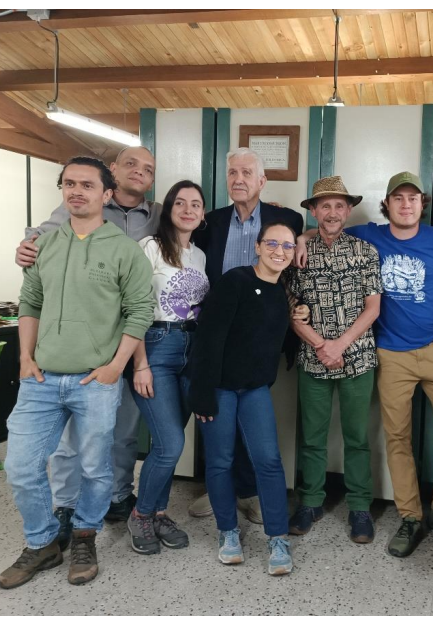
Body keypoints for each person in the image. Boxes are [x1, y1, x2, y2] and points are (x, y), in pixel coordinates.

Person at [0, 157, 154, 589]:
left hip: (94, 381)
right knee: (21, 467)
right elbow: (29, 303)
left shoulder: (125, 249)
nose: (76, 191)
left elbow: (138, 311)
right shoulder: (45, 245)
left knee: (95, 468)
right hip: (42, 380)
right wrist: (25, 359)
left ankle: (85, 536)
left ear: (107, 194)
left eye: (87, 184)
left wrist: (115, 368)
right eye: (69, 184)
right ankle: (43, 542)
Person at [296, 171, 433, 557]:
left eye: (413, 198)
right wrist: (300, 237)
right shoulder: (369, 236)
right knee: (397, 437)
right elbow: (325, 230)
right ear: (387, 204)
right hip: (389, 355)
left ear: (423, 204)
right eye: (398, 198)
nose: (406, 205)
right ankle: (410, 516)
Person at [187, 147, 304, 523]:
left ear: (262, 181)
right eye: (232, 172)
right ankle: (224, 489)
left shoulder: (286, 218)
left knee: (252, 423)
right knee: (217, 416)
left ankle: (248, 490)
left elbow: (302, 232)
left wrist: (301, 240)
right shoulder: (209, 222)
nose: (239, 179)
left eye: (247, 173)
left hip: (259, 340)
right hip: (217, 332)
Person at [188, 222, 298, 576]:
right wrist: (202, 393)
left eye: (287, 245)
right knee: (219, 462)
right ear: (258, 246)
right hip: (218, 389)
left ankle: (278, 537)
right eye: (272, 243)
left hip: (253, 390)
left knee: (268, 460)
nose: (279, 251)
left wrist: (303, 314)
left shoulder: (282, 293)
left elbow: (277, 341)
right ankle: (228, 533)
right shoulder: (235, 281)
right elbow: (208, 339)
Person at [284, 176, 382, 543]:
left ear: (349, 210)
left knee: (357, 438)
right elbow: (289, 306)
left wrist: (339, 345)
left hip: (357, 357)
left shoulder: (364, 251)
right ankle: (309, 502)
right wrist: (320, 345)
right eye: (324, 205)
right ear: (313, 210)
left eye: (339, 205)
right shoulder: (297, 255)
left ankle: (359, 507)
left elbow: (373, 308)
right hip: (313, 359)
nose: (332, 212)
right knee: (312, 437)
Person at [126, 180, 210, 555]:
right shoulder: (149, 248)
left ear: (203, 213)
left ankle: (159, 511)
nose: (188, 209)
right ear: (169, 209)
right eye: (181, 203)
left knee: (168, 443)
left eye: (196, 204)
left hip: (190, 352)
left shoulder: (199, 256)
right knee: (170, 443)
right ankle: (141, 515)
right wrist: (139, 363)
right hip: (156, 348)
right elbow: (133, 306)